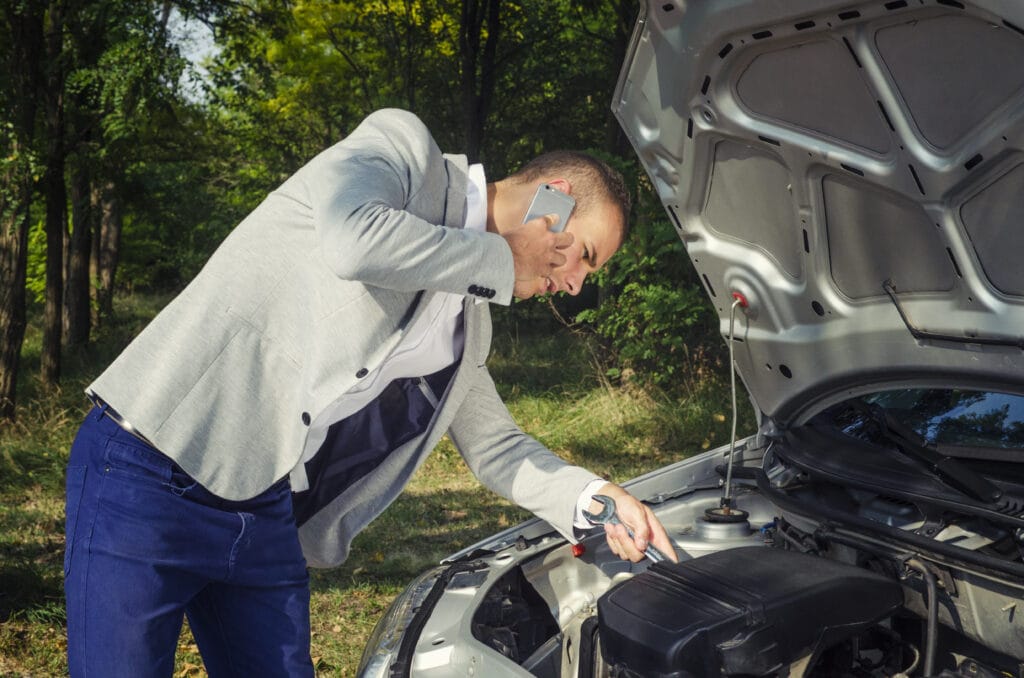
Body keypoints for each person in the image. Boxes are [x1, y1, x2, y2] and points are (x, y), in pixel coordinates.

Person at [63, 108, 677, 676]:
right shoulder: (403, 148)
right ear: (554, 201)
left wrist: (596, 497)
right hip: (147, 470)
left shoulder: (471, 325)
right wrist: (499, 256)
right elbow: (353, 240)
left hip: (264, 505)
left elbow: (498, 448)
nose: (574, 285)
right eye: (584, 257)